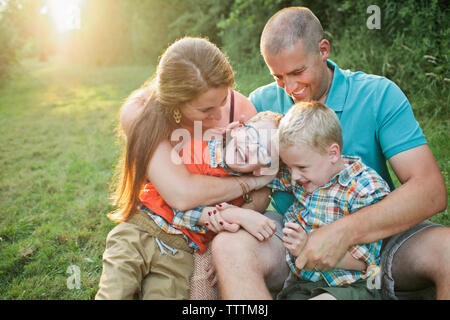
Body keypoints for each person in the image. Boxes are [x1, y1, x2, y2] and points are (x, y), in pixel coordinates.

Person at [211, 7, 449, 300]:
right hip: (294, 236)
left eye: (298, 72)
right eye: (279, 77)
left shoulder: (377, 94)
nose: (291, 88)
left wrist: (344, 233)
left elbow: (430, 191)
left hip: (381, 240)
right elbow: (228, 167)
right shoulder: (263, 103)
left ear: (323, 50)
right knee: (229, 246)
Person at [95, 37, 275, 300]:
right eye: (205, 109)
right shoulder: (143, 114)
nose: (217, 116)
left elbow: (263, 193)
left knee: (194, 293)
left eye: (223, 99)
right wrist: (247, 185)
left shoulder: (240, 109)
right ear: (176, 105)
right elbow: (183, 193)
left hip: (205, 233)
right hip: (154, 222)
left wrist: (229, 227)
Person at [268, 101, 390, 300]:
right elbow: (263, 175)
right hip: (306, 283)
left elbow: (364, 261)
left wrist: (307, 248)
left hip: (355, 284)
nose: (294, 177)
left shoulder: (364, 188)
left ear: (333, 154)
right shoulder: (306, 174)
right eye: (289, 168)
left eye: (301, 168)